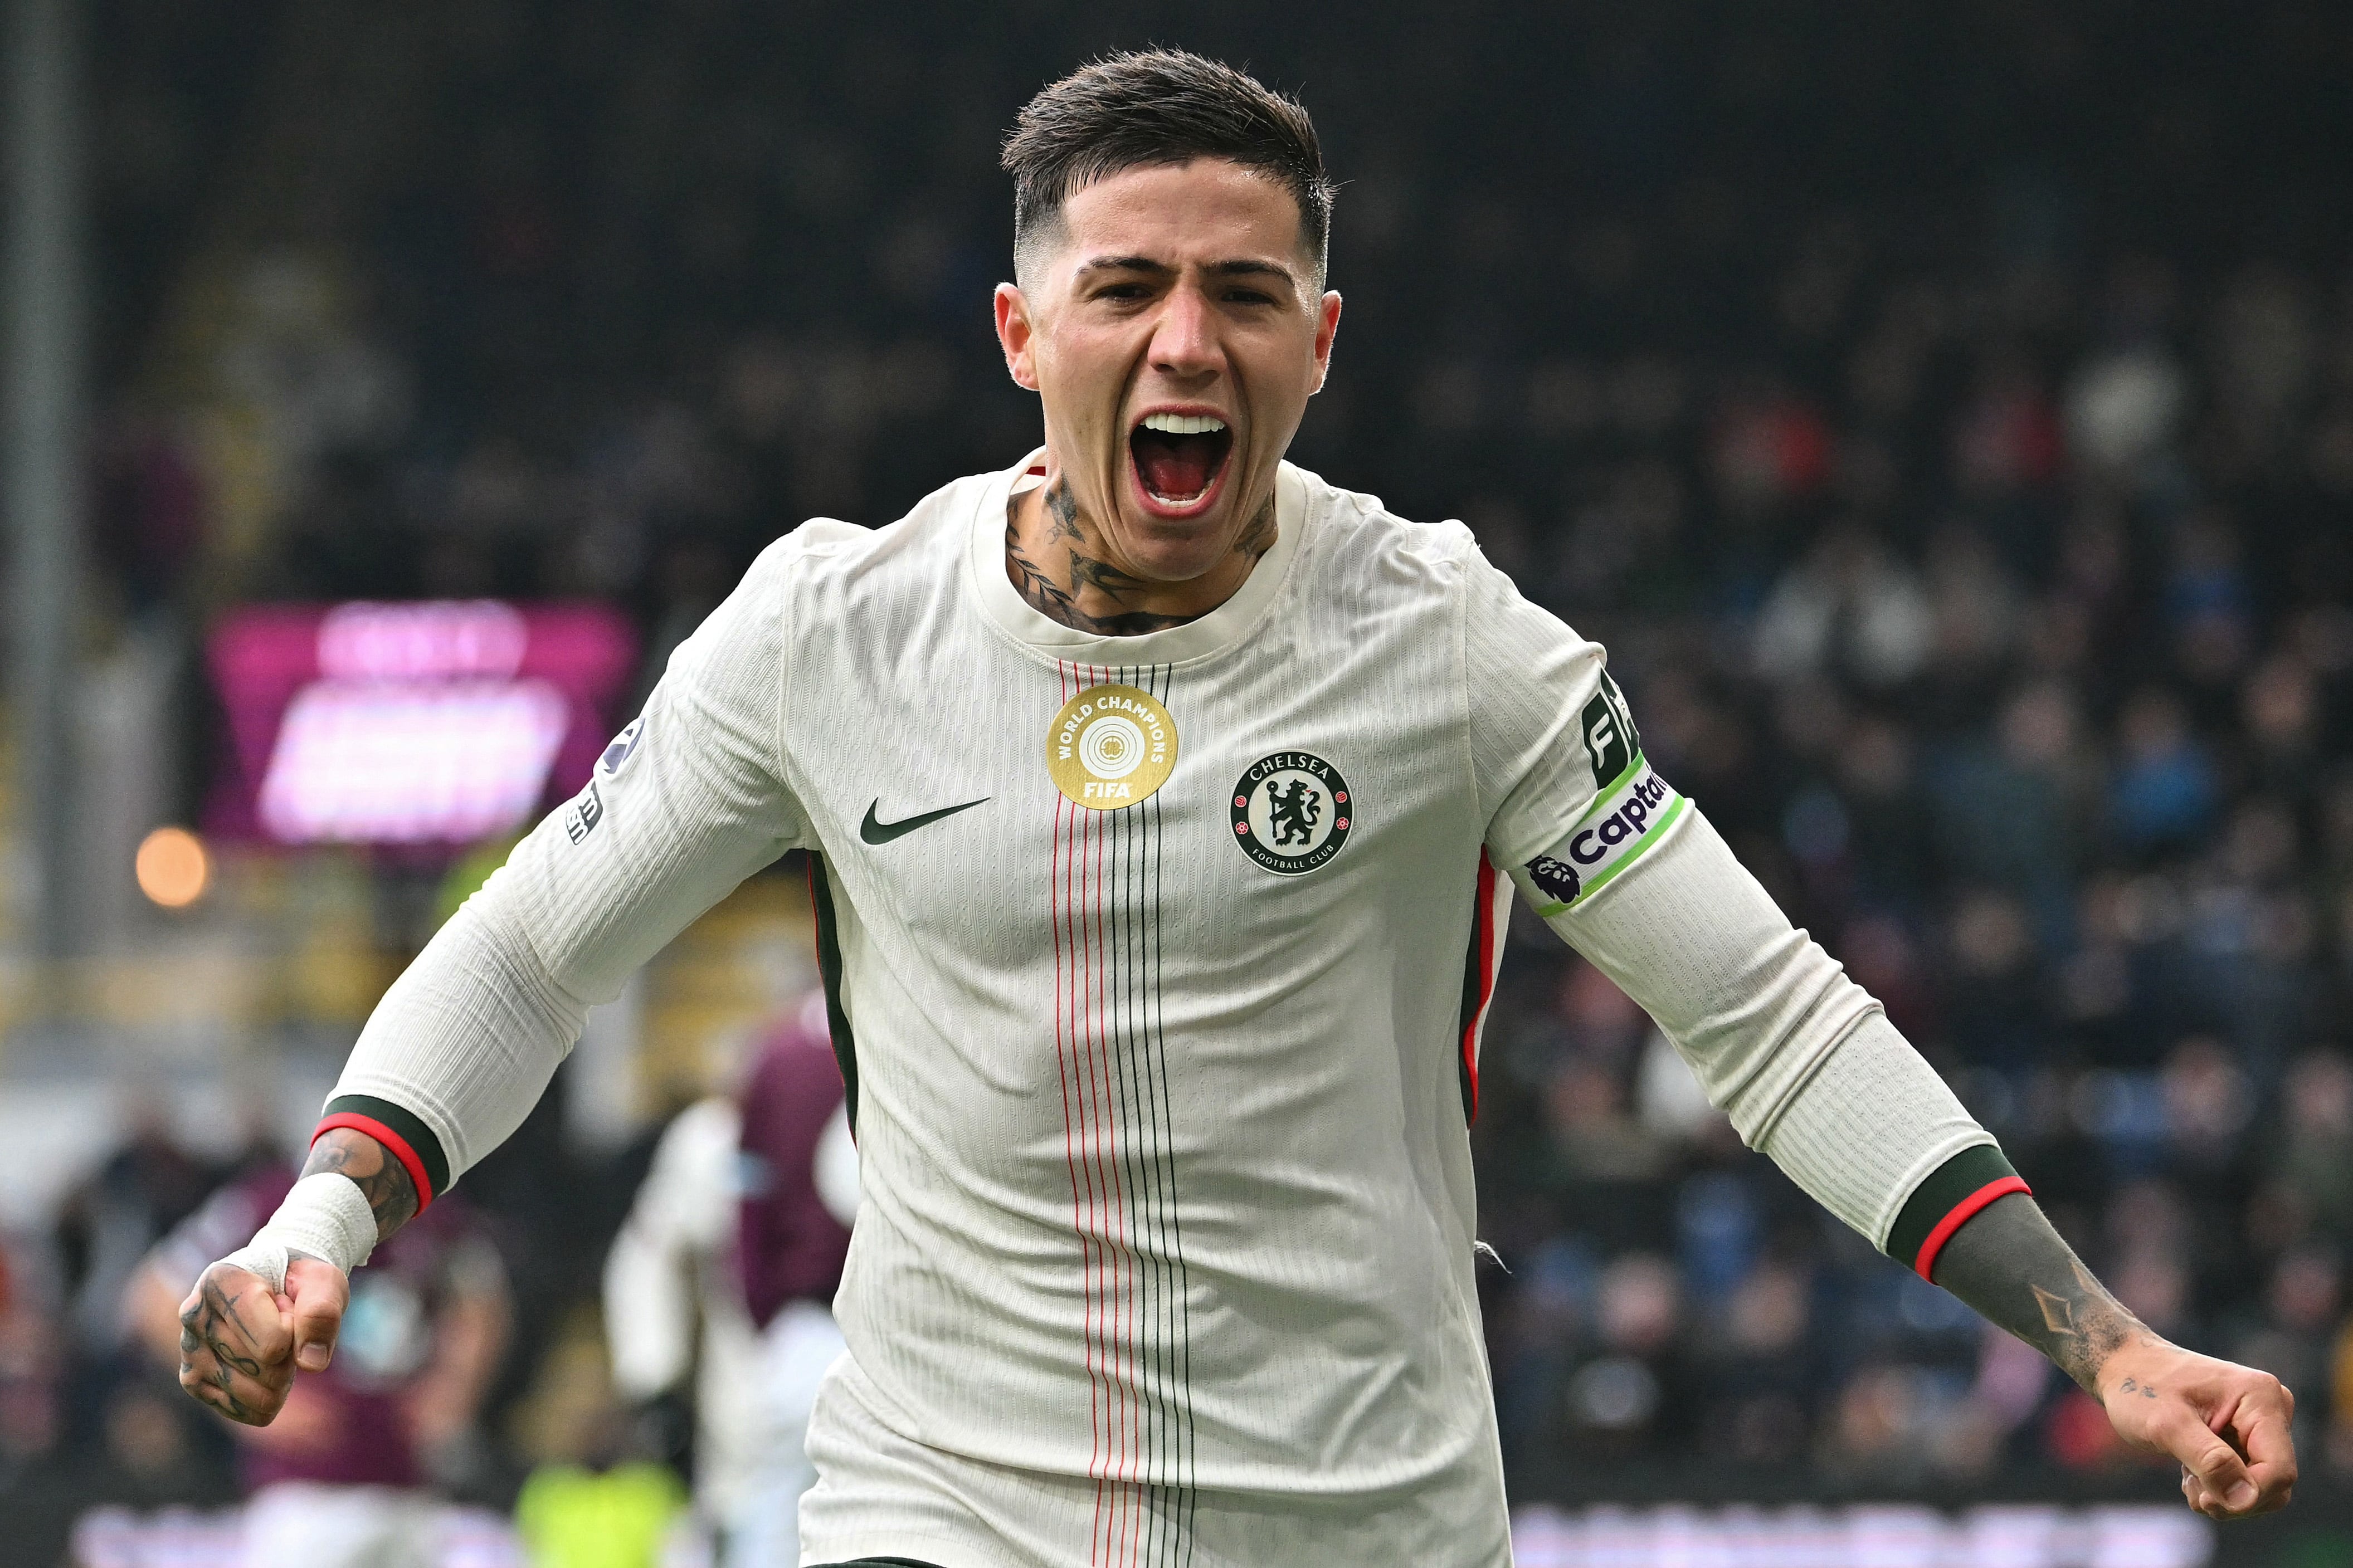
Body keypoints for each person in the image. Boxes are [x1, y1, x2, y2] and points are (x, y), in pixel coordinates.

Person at [177, 49, 2296, 1567]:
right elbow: (541, 939)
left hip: (1359, 1520)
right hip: (945, 1514)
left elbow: (1760, 1003)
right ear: (1022, 331)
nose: (1181, 338)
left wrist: (2091, 1332)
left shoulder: (1448, 640)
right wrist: (315, 1226)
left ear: (1315, 342)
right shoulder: (826, 631)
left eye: (1240, 292)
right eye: (1124, 288)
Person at [132, 1153, 508, 1567]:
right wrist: (239, 1400)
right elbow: (157, 1295)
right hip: (304, 1492)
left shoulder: (424, 1199)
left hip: (409, 1485)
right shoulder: (272, 1197)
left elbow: (482, 1302)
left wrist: (453, 1390)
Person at [602, 994, 856, 1565]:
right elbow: (651, 1258)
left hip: (784, 1349)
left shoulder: (777, 1082)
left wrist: (653, 1376)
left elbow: (645, 1258)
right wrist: (653, 1377)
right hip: (767, 1362)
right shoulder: (708, 1139)